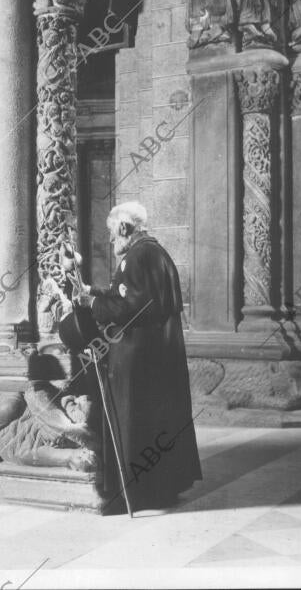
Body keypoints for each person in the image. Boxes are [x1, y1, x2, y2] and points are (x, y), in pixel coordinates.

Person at [76, 201, 202, 513]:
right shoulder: (156, 253)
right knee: (156, 424)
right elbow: (129, 294)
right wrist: (93, 292)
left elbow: (132, 308)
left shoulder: (137, 256)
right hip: (157, 356)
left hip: (137, 357)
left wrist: (93, 307)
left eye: (111, 233)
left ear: (124, 228)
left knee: (135, 423)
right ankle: (161, 489)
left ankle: (138, 494)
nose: (109, 240)